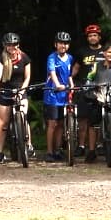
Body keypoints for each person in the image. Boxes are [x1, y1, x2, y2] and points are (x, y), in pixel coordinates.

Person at [76, 43, 111, 163]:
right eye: (109, 52)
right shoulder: (96, 66)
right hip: (97, 95)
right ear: (104, 53)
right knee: (93, 124)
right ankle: (91, 150)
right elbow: (89, 78)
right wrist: (88, 87)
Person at [0, 32, 32, 158]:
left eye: (14, 44)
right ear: (5, 46)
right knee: (3, 123)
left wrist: (22, 90)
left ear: (18, 45)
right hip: (5, 93)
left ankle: (29, 144)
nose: (12, 47)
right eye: (9, 45)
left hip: (20, 91)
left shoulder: (24, 57)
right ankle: (0, 151)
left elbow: (27, 77)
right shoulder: (2, 59)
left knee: (23, 116)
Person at [43, 32, 74, 161]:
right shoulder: (52, 57)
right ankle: (49, 151)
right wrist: (57, 85)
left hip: (65, 95)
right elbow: (52, 72)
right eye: (61, 43)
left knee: (61, 123)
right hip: (53, 95)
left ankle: (58, 149)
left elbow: (69, 74)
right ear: (56, 44)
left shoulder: (70, 58)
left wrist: (71, 84)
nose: (63, 45)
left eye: (66, 43)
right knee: (52, 124)